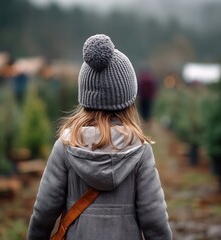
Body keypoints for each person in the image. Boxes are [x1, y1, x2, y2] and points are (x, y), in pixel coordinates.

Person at [27, 34, 172, 240]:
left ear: (85, 96)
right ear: (128, 99)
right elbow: (154, 220)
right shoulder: (139, 150)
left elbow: (44, 211)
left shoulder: (66, 146)